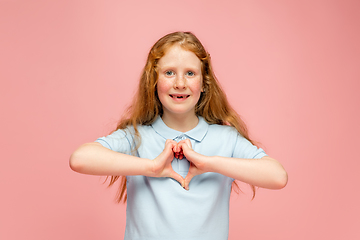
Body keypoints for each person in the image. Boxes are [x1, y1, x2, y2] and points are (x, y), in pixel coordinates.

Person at [70, 31, 288, 240]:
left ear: (204, 83)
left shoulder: (226, 138)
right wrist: (152, 167)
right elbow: (80, 159)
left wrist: (210, 164)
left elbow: (277, 176)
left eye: (190, 73)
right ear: (153, 82)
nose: (180, 83)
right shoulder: (136, 136)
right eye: (169, 72)